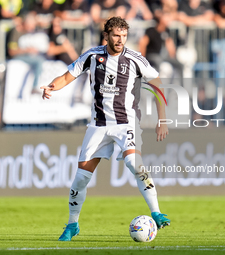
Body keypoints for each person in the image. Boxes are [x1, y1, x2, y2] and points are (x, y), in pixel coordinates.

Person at [41, 16, 171, 241]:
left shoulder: (134, 59)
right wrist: (52, 87)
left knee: (134, 163)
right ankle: (72, 225)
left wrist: (163, 119)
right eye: (116, 36)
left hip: (126, 123)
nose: (120, 40)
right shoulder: (92, 56)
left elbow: (158, 85)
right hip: (98, 125)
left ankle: (156, 212)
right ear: (107, 36)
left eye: (124, 36)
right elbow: (67, 76)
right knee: (80, 178)